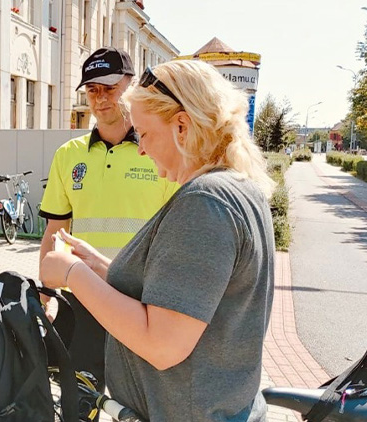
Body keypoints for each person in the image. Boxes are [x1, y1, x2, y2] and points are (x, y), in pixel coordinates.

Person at [40, 59, 276, 422]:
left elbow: (162, 344)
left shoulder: (204, 202)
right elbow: (183, 298)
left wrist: (72, 273)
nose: (142, 150)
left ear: (182, 126)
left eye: (145, 134)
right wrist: (105, 269)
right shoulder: (239, 188)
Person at [38, 47, 179, 393]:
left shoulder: (158, 151)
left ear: (130, 87)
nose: (100, 99)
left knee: (135, 410)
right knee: (81, 405)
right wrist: (43, 299)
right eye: (92, 90)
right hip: (84, 303)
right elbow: (54, 233)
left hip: (141, 306)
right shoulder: (68, 156)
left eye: (109, 88)